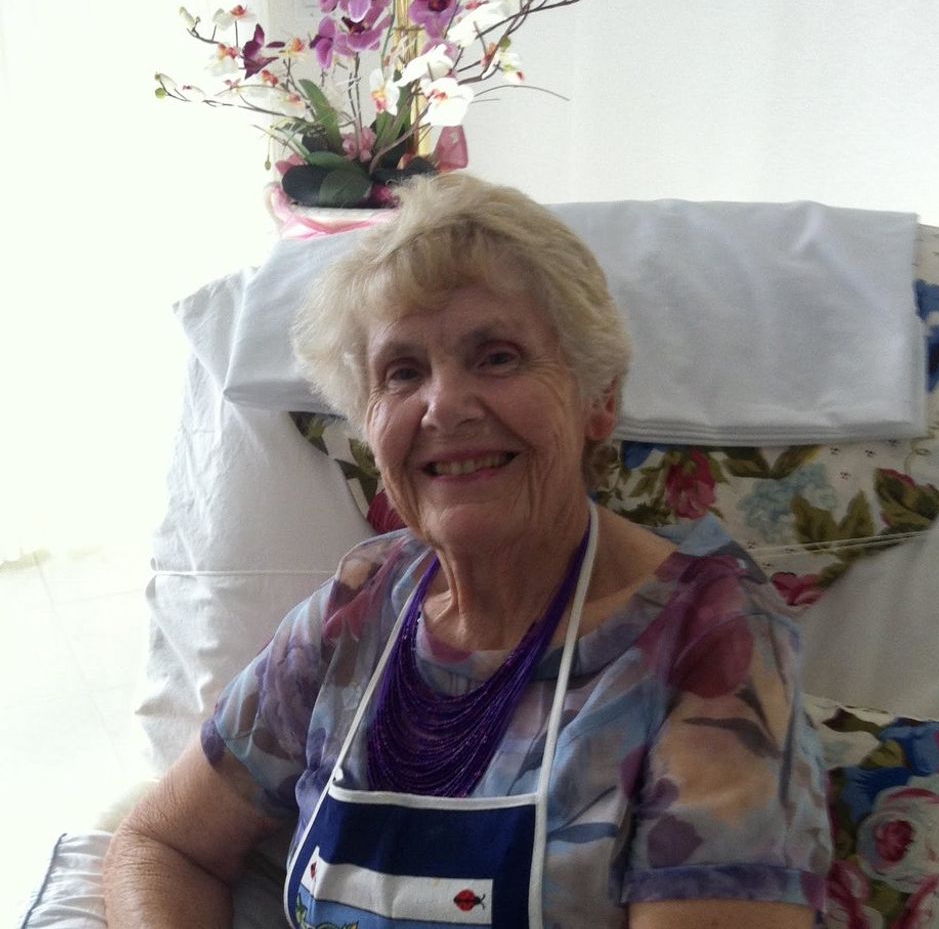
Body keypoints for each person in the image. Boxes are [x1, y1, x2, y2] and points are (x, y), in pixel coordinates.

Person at [103, 173, 831, 928]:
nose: (444, 406)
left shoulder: (709, 641)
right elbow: (162, 845)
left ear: (599, 400)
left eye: (498, 358)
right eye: (402, 373)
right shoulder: (360, 607)